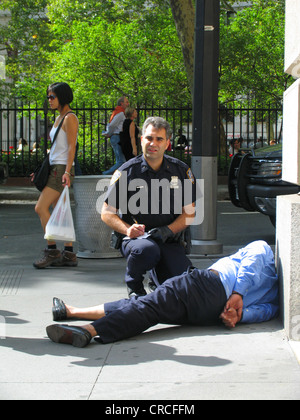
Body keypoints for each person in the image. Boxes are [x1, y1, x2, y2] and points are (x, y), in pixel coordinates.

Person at [46, 241, 279, 348]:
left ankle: (88, 331)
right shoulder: (276, 297)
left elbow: (250, 262)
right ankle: (71, 312)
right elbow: (265, 312)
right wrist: (239, 315)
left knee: (149, 307)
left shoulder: (264, 250)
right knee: (146, 304)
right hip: (212, 312)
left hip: (208, 285)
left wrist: (238, 294)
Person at [101, 116, 198, 298]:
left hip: (169, 239)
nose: (153, 143)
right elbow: (106, 213)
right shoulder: (126, 171)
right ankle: (134, 286)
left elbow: (189, 213)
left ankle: (158, 279)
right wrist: (128, 229)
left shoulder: (181, 171)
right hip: (137, 241)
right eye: (149, 138)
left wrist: (167, 231)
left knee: (186, 288)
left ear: (167, 143)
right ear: (141, 139)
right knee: (146, 250)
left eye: (159, 139)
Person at [33, 82, 79, 269]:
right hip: (55, 168)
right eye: (48, 97)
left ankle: (52, 250)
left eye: (52, 97)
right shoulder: (60, 117)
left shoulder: (69, 118)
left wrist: (67, 171)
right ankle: (68, 254)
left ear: (62, 97)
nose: (49, 100)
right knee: (60, 211)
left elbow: (71, 147)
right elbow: (57, 149)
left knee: (40, 208)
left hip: (61, 170)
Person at [102, 96, 130, 175]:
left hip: (116, 137)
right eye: (126, 102)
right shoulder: (120, 113)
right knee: (121, 161)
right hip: (116, 136)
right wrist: (109, 134)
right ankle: (105, 174)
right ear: (121, 103)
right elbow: (112, 125)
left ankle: (114, 176)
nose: (128, 104)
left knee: (120, 160)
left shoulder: (118, 112)